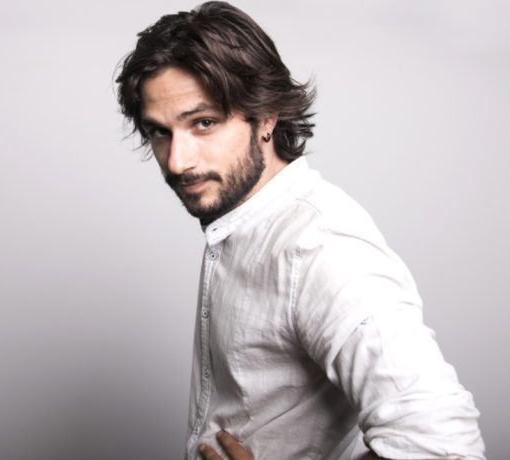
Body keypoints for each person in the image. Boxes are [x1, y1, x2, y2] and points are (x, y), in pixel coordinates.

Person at [115, 2, 485, 459]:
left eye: (204, 123)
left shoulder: (318, 248)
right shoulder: (242, 222)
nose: (177, 161)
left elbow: (444, 446)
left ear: (266, 116)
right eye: (160, 132)